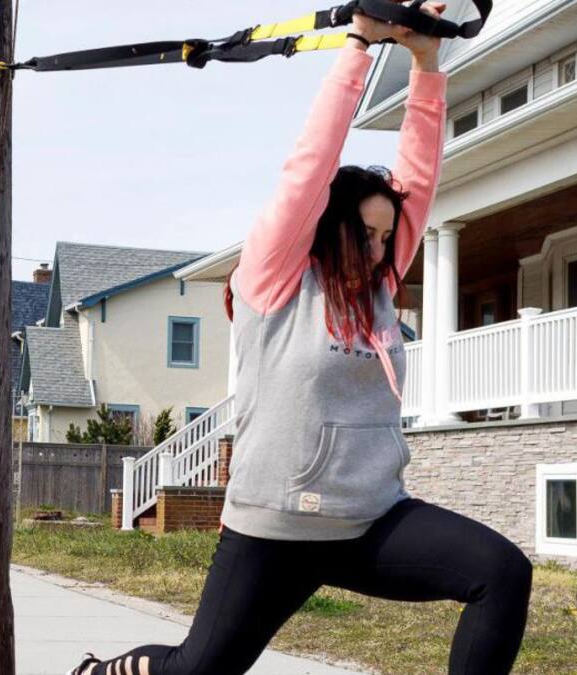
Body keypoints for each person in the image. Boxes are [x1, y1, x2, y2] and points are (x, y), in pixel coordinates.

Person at [69, 3, 532, 674]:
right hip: (274, 528)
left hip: (369, 521)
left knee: (501, 572)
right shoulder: (276, 276)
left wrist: (426, 63)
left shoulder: (376, 284)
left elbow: (420, 176)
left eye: (385, 236)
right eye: (366, 233)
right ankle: (110, 671)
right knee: (197, 669)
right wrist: (360, 46)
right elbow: (309, 168)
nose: (380, 249)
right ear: (329, 226)